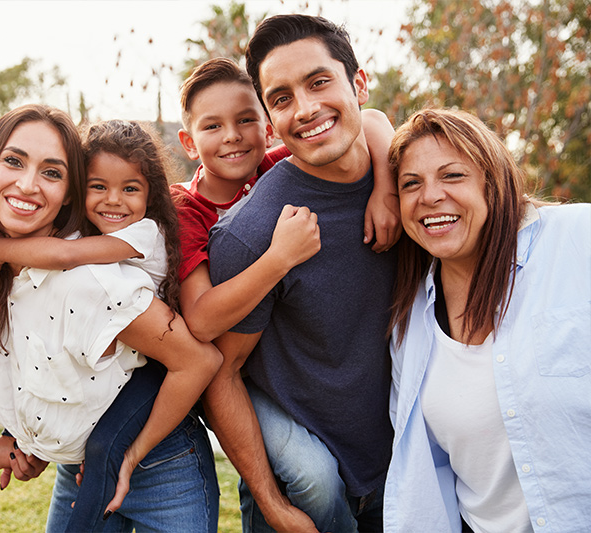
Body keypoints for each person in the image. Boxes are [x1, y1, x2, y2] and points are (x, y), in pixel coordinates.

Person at [0, 110, 222, 532]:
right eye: (14, 161)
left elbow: (198, 361)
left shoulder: (93, 278)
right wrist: (31, 443)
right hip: (78, 458)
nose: (27, 184)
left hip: (161, 464)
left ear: (67, 192)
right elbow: (47, 368)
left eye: (51, 172)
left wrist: (130, 456)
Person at [205, 15, 400, 532]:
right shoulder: (253, 235)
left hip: (407, 475)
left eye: (319, 82)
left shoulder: (412, 186)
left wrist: (388, 184)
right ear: (270, 119)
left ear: (358, 84)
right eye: (283, 98)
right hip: (305, 497)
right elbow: (221, 374)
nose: (307, 109)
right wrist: (272, 502)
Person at [383, 108, 591, 532]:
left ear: (492, 185)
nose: (431, 196)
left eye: (453, 176)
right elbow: (430, 477)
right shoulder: (409, 330)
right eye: (411, 184)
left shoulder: (577, 239)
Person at [173, 57, 398, 344]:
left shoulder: (274, 167)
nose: (232, 136)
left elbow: (370, 118)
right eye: (212, 127)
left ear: (269, 131)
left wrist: (386, 190)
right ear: (190, 143)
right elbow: (200, 321)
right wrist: (280, 258)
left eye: (245, 120)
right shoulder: (184, 207)